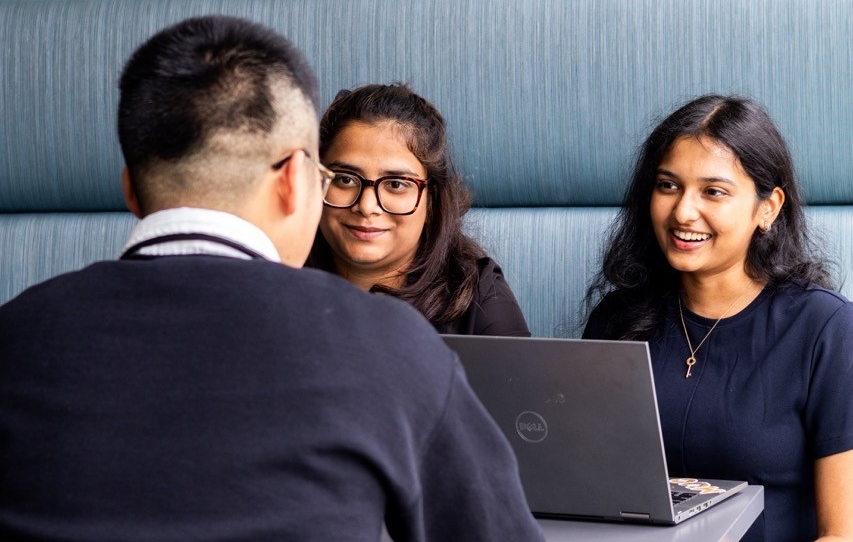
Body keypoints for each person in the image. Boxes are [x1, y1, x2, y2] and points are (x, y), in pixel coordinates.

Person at [0, 16, 544, 542]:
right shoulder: (391, 346)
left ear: (131, 192)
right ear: (294, 181)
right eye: (342, 178)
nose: (365, 206)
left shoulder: (15, 333)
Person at [583, 95, 853, 542]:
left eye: (714, 191)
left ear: (767, 208)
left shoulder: (826, 330)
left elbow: (842, 533)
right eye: (668, 185)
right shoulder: (617, 319)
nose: (684, 212)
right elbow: (585, 492)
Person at [307, 83, 530, 336]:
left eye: (396, 184)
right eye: (345, 179)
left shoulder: (478, 298)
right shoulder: (277, 277)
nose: (367, 206)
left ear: (432, 203)